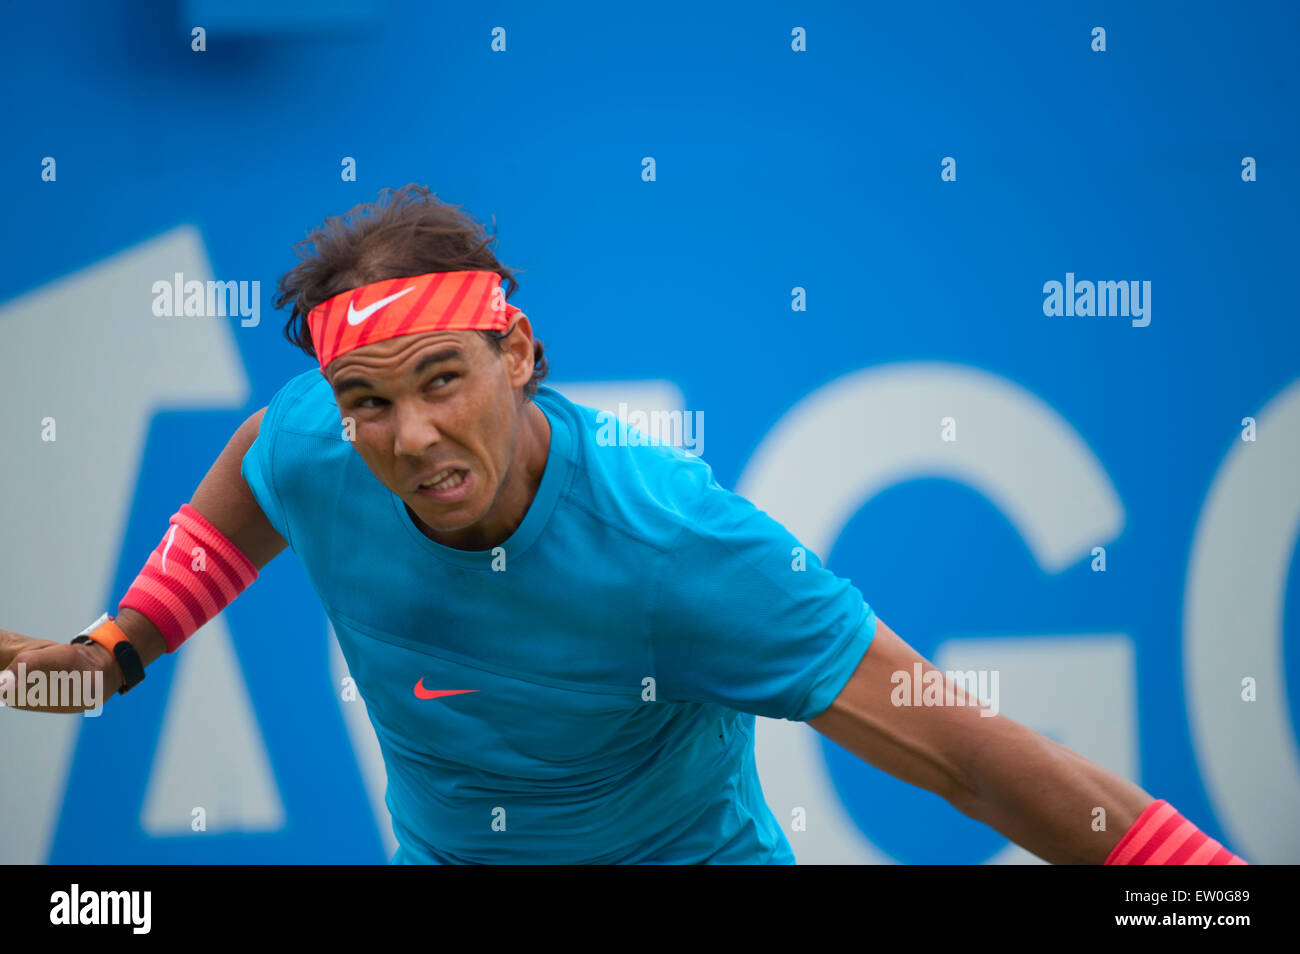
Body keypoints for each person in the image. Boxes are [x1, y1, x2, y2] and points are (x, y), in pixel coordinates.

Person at [0, 184, 1247, 865]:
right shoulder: (316, 437)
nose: (411, 435)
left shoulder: (673, 543)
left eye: (446, 380)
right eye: (370, 402)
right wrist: (114, 650)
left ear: (518, 355)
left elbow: (966, 752)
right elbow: (247, 488)